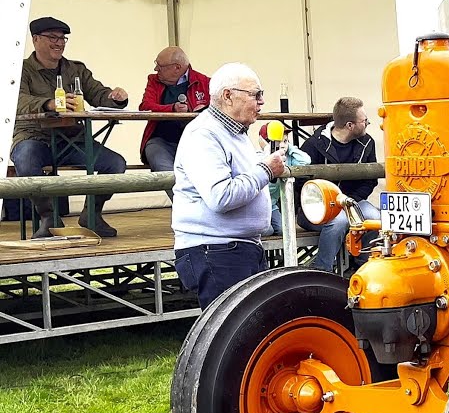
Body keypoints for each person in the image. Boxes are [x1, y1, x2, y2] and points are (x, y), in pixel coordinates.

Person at [171, 62, 286, 308]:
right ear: (227, 96)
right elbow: (221, 196)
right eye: (256, 94)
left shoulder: (234, 132)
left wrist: (262, 163)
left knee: (247, 335)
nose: (262, 102)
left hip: (231, 248)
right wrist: (265, 169)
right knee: (233, 340)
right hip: (216, 251)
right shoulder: (203, 134)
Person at [12, 16, 129, 238]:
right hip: (33, 136)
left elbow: (98, 93)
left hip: (72, 139)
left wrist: (115, 98)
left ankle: (91, 215)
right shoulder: (20, 69)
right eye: (53, 38)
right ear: (36, 39)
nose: (59, 43)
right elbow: (16, 100)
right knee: (26, 160)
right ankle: (49, 218)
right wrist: (48, 103)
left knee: (115, 164)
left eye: (62, 38)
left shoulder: (76, 69)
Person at [297, 97, 379, 273]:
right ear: (350, 125)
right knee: (339, 221)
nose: (368, 124)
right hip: (317, 208)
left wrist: (350, 201)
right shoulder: (314, 145)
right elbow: (301, 182)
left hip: (352, 202)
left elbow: (371, 180)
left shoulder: (367, 143)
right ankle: (322, 270)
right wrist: (327, 204)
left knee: (375, 218)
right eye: (364, 121)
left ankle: (364, 268)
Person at [139, 46, 211, 187]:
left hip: (196, 143)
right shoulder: (153, 80)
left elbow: (219, 109)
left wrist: (200, 112)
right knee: (165, 172)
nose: (156, 69)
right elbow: (145, 107)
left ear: (177, 68)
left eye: (160, 66)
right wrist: (172, 108)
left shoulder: (205, 82)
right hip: (161, 140)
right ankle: (184, 205)